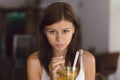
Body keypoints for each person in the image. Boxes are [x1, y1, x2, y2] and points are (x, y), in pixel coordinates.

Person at [27, 2, 95, 80]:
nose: (59, 38)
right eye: (52, 32)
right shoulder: (34, 62)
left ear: (74, 29)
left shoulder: (87, 60)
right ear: (44, 31)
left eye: (65, 31)